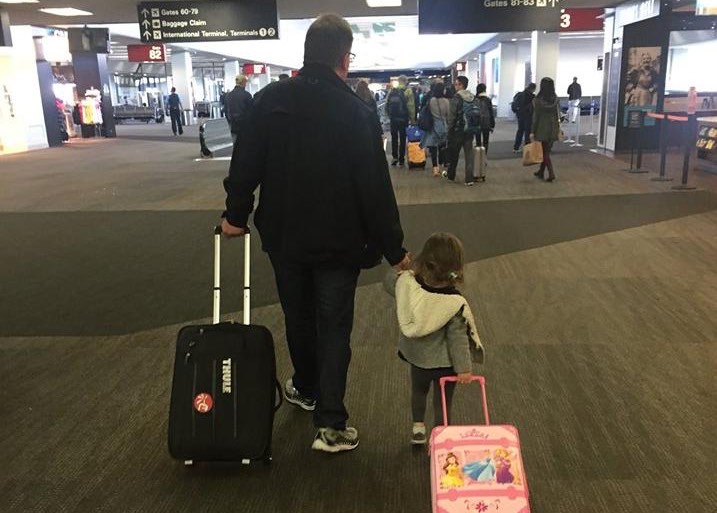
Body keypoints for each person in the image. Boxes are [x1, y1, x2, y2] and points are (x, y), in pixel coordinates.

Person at [221, 14, 410, 454]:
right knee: (334, 327)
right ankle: (331, 424)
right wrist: (394, 249)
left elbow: (244, 163)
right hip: (339, 242)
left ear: (306, 53)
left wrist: (236, 216)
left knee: (299, 317)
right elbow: (374, 188)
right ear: (345, 59)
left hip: (284, 236)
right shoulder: (356, 111)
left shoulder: (270, 100)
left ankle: (305, 387)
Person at [384, 232, 484, 445]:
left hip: (418, 359)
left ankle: (418, 428)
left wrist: (401, 269)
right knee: (443, 401)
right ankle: (441, 433)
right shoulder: (454, 303)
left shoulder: (410, 288)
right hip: (444, 365)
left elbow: (390, 283)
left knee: (418, 392)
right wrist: (463, 368)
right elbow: (458, 339)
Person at [445, 76, 476, 186]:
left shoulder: (456, 98)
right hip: (470, 130)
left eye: (456, 84)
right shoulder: (472, 97)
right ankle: (469, 179)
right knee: (469, 155)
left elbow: (452, 117)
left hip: (458, 130)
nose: (455, 86)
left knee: (454, 154)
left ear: (461, 85)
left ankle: (451, 175)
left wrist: (449, 130)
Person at [531, 77, 560, 182]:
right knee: (546, 150)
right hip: (553, 127)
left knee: (545, 152)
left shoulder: (538, 100)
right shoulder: (556, 99)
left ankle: (551, 173)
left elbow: (536, 117)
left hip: (542, 127)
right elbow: (558, 115)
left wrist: (532, 131)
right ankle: (541, 171)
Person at [420, 81, 449, 177]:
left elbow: (427, 112)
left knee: (433, 148)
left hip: (433, 126)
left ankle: (435, 168)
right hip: (444, 125)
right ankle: (441, 164)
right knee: (442, 146)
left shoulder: (431, 101)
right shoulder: (446, 101)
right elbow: (448, 115)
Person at [385, 76, 411, 166]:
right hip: (403, 119)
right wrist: (412, 119)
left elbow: (386, 105)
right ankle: (402, 159)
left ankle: (394, 157)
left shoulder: (392, 91)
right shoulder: (408, 91)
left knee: (394, 138)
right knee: (403, 139)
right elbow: (411, 106)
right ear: (405, 81)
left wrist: (390, 116)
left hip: (393, 119)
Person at [225, 75, 254, 144]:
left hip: (233, 124)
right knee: (245, 143)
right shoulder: (246, 95)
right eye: (245, 82)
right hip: (244, 124)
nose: (246, 84)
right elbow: (251, 110)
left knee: (235, 143)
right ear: (243, 82)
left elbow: (226, 110)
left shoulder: (229, 95)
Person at [512, 83, 536, 153]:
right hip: (528, 116)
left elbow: (514, 103)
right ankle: (527, 149)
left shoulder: (519, 94)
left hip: (520, 115)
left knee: (520, 130)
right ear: (533, 89)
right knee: (527, 132)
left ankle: (516, 147)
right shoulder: (532, 97)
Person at [474, 83, 495, 153]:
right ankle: (484, 156)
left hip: (477, 123)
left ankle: (478, 156)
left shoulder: (474, 99)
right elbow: (491, 113)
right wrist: (492, 124)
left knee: (478, 141)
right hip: (486, 122)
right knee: (486, 141)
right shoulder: (488, 100)